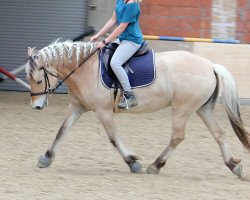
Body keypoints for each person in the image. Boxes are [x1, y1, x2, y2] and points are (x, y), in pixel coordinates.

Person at [91, 0, 143, 109]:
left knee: (115, 63)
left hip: (132, 40)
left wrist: (105, 42)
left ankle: (129, 96)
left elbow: (121, 27)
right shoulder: (120, 0)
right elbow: (112, 20)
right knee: (103, 54)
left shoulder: (132, 4)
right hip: (122, 38)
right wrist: (98, 35)